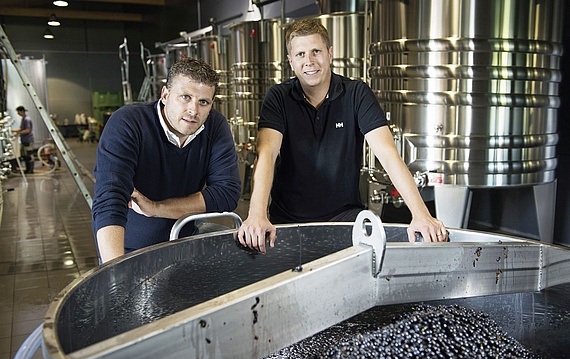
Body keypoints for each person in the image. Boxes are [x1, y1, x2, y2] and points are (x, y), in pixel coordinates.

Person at [237, 19, 448, 253]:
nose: (309, 61)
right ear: (291, 62)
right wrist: (257, 214)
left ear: (330, 53)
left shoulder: (356, 93)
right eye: (300, 54)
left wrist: (420, 214)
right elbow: (267, 153)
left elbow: (387, 154)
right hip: (288, 220)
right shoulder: (278, 97)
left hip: (344, 219)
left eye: (316, 51)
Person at [92, 58, 241, 263]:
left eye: (203, 102)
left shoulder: (214, 125)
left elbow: (227, 193)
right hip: (128, 252)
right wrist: (115, 273)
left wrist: (156, 208)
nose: (193, 110)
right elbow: (110, 199)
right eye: (185, 97)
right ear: (165, 94)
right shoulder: (128, 123)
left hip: (183, 245)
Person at [11, 106, 34, 174]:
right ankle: (27, 169)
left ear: (22, 111)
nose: (18, 114)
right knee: (25, 155)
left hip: (28, 140)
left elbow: (27, 130)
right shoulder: (24, 119)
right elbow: (21, 128)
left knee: (29, 155)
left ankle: (30, 170)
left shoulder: (27, 119)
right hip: (24, 140)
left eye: (18, 112)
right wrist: (13, 130)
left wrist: (18, 133)